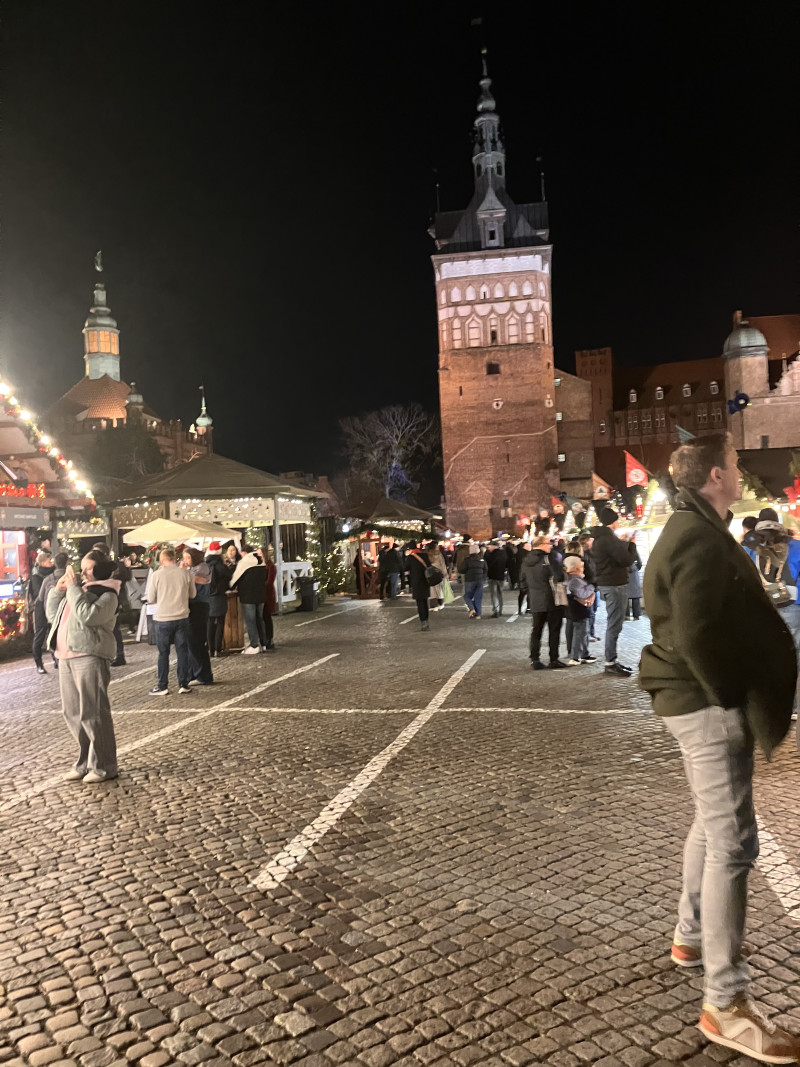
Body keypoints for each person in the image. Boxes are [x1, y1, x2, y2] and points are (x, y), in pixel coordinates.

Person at [640, 432, 800, 1063]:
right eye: (733, 463)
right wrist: (731, 696)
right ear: (713, 476)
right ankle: (725, 1003)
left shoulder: (694, 527)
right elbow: (696, 630)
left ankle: (692, 936)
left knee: (712, 827)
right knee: (735, 843)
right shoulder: (697, 536)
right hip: (704, 704)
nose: (739, 471)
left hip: (694, 699)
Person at [46, 550, 120, 783]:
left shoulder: (108, 594)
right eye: (83, 567)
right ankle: (84, 763)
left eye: (89, 568)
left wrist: (73, 589)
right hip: (65, 655)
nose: (83, 572)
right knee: (73, 713)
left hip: (89, 655)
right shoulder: (78, 591)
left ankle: (104, 765)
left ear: (101, 569)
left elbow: (88, 616)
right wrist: (58, 591)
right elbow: (53, 616)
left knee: (93, 713)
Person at [590, 507, 638, 675]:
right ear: (614, 521)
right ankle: (610, 662)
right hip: (614, 585)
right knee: (614, 625)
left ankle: (612, 660)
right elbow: (626, 560)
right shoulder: (608, 539)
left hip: (607, 584)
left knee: (614, 623)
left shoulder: (600, 539)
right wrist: (632, 544)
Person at [147, 547, 196, 695]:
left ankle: (163, 686)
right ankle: (183, 684)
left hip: (163, 618)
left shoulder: (156, 575)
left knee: (163, 653)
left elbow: (151, 598)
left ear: (162, 561)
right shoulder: (186, 574)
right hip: (182, 617)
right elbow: (193, 594)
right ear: (175, 559)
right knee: (182, 652)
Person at [520, 534, 567, 669]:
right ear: (541, 545)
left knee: (536, 630)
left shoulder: (526, 561)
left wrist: (531, 593)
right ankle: (554, 659)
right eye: (548, 543)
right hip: (551, 599)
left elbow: (522, 581)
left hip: (535, 599)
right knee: (554, 630)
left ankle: (535, 659)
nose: (551, 546)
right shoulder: (549, 558)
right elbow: (559, 576)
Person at [182, 547, 214, 685]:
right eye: (184, 557)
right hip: (192, 606)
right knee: (191, 641)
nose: (185, 560)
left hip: (199, 606)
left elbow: (195, 579)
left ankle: (203, 675)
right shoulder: (191, 569)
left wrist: (182, 572)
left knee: (196, 641)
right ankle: (194, 673)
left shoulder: (202, 567)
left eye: (188, 557)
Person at [229, 544, 268, 653]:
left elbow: (235, 579)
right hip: (261, 595)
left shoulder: (244, 562)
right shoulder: (261, 561)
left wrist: (230, 586)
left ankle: (254, 645)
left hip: (248, 596)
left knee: (250, 621)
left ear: (244, 553)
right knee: (259, 619)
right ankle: (264, 643)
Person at [563, 555, 596, 666]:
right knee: (580, 633)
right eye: (582, 566)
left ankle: (584, 654)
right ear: (576, 568)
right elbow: (583, 594)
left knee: (583, 632)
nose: (583, 568)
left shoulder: (573, 579)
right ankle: (575, 657)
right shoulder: (575, 580)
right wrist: (591, 587)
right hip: (578, 610)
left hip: (579, 609)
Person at [29, 550, 56, 674]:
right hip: (40, 608)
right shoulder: (36, 576)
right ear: (43, 562)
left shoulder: (54, 573)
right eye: (49, 561)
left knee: (54, 632)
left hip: (52, 606)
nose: (52, 562)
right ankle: (39, 663)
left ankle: (56, 659)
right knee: (40, 635)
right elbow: (38, 594)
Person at [205, 541, 230, 657]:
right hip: (220, 596)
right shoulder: (222, 566)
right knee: (220, 622)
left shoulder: (205, 566)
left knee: (210, 623)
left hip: (208, 597)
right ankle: (218, 649)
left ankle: (210, 649)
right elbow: (229, 577)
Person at [405, 541, 433, 631]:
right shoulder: (424, 555)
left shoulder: (410, 558)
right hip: (425, 581)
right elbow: (429, 565)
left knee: (420, 602)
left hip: (416, 582)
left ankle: (423, 622)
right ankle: (426, 620)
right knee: (425, 601)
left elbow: (405, 567)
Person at [578, 531, 599, 640]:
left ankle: (591, 632)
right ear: (586, 541)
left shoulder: (592, 553)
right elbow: (588, 571)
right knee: (589, 611)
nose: (593, 542)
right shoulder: (582, 555)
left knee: (593, 611)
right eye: (591, 540)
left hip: (594, 585)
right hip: (587, 586)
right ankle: (588, 634)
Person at [458, 543, 487, 619]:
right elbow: (485, 569)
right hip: (480, 580)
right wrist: (483, 578)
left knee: (467, 596)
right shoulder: (482, 560)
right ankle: (478, 614)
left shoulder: (467, 560)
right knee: (478, 597)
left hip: (470, 580)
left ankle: (472, 609)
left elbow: (462, 569)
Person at [621, 533, 643, 620]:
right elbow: (639, 562)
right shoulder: (633, 548)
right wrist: (636, 568)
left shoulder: (620, 549)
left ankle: (626, 615)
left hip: (623, 573)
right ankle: (636, 615)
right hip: (633, 573)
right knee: (635, 594)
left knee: (625, 594)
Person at [261, 548, 277, 651]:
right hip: (261, 594)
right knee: (262, 617)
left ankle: (269, 638)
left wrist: (261, 587)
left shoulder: (271, 566)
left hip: (268, 594)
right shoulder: (259, 566)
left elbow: (270, 581)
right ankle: (264, 638)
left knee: (267, 616)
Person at [486, 541, 507, 617]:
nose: (488, 548)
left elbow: (489, 565)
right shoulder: (503, 554)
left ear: (494, 546)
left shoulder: (491, 555)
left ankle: (496, 610)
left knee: (494, 594)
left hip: (492, 576)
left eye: (489, 546)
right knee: (500, 593)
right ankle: (500, 609)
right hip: (501, 576)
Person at [426, 540, 449, 611]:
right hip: (438, 573)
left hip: (430, 573)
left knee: (432, 590)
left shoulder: (427, 554)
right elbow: (442, 564)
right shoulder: (439, 554)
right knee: (439, 589)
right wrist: (445, 574)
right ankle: (440, 604)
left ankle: (433, 605)